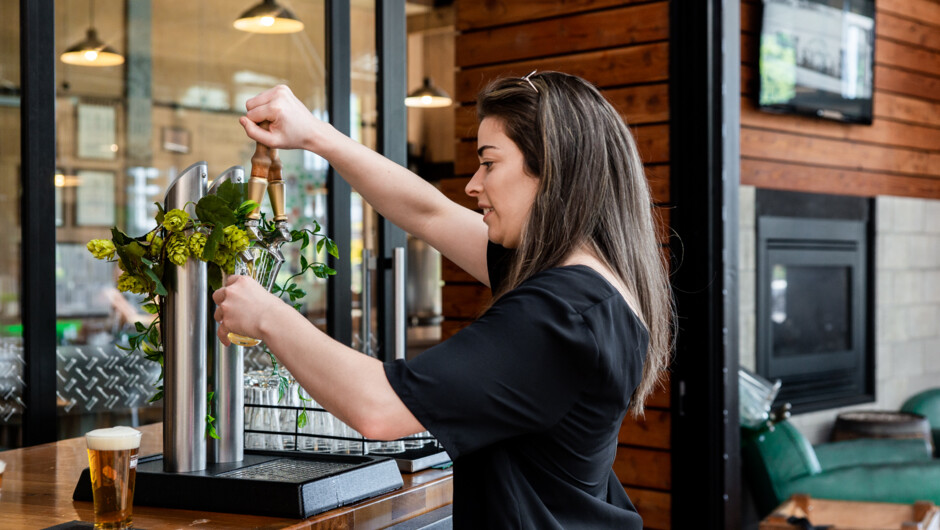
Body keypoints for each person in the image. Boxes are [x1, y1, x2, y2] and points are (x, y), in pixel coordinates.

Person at [214, 71, 673, 529]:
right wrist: (317, 135)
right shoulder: (596, 283)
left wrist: (268, 315)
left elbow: (377, 407)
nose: (473, 185)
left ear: (552, 169)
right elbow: (427, 213)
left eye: (489, 163)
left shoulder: (559, 313)